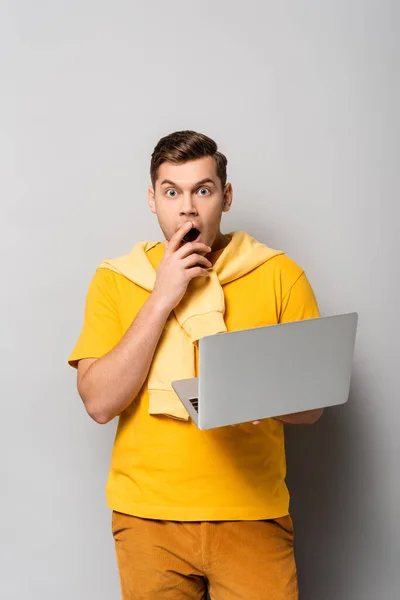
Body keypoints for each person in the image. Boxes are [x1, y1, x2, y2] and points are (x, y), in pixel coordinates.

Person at [68, 130, 323, 600]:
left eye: (202, 190)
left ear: (225, 197)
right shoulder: (115, 280)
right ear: (152, 199)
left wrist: (251, 391)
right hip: (147, 519)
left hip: (253, 514)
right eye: (172, 192)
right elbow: (100, 402)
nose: (187, 208)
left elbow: (312, 409)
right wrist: (162, 297)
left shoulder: (279, 274)